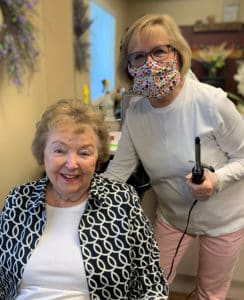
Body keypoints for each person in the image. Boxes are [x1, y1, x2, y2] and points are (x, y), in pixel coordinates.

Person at [103, 14, 244, 300]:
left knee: (210, 293)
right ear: (129, 67)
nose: (150, 63)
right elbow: (119, 170)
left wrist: (217, 180)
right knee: (150, 286)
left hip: (225, 218)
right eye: (139, 56)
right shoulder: (136, 113)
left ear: (177, 54)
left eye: (159, 51)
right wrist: (79, 196)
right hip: (172, 217)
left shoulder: (211, 102)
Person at [0, 99, 169, 300]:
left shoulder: (122, 201)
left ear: (98, 157)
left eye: (84, 153)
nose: (72, 164)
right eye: (59, 150)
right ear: (42, 153)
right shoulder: (19, 200)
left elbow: (153, 285)